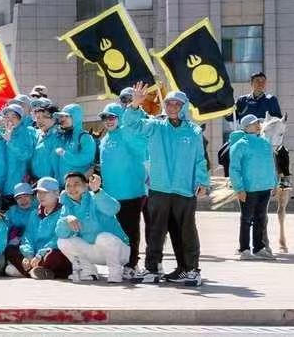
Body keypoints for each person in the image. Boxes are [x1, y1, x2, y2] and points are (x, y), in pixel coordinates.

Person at [133, 91, 210, 286]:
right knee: (155, 231)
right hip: (159, 187)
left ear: (184, 106)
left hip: (185, 189)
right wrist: (135, 106)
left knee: (187, 231)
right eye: (169, 103)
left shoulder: (194, 131)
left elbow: (200, 160)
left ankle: (191, 270)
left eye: (177, 104)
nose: (172, 107)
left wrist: (202, 182)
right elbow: (133, 126)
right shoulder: (155, 126)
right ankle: (152, 269)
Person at [97, 102, 148, 272]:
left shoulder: (128, 134)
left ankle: (132, 264)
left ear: (120, 118)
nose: (108, 121)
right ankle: (118, 262)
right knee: (115, 231)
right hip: (111, 194)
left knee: (130, 231)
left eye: (112, 117)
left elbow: (142, 148)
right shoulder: (105, 139)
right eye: (105, 118)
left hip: (131, 192)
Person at [55, 171, 129, 282]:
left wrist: (97, 191)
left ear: (86, 186)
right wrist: (66, 220)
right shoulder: (67, 205)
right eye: (68, 185)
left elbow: (114, 209)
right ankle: (88, 271)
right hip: (94, 251)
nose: (72, 188)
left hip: (119, 251)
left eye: (76, 184)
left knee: (103, 237)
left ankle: (115, 273)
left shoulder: (96, 196)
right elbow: (60, 233)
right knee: (62, 241)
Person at [228, 115, 277, 259]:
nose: (258, 125)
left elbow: (270, 164)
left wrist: (274, 183)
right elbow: (234, 169)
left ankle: (259, 248)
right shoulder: (240, 145)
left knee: (261, 218)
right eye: (254, 123)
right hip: (248, 189)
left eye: (257, 123)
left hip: (265, 187)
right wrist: (239, 188)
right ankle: (244, 249)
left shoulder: (265, 143)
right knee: (247, 219)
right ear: (246, 127)